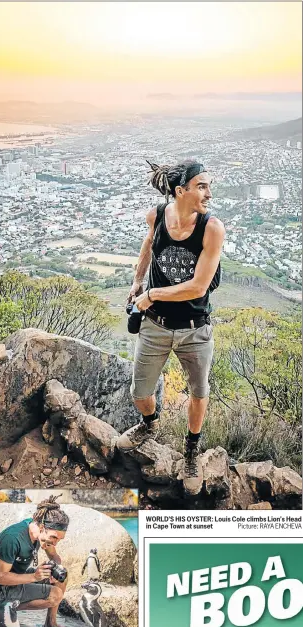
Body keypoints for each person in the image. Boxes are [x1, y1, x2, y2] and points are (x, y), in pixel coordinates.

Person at [116, 158, 225, 496]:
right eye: (201, 186)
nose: (209, 192)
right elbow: (148, 245)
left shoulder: (212, 229)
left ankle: (192, 449)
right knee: (140, 393)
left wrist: (150, 294)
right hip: (156, 325)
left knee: (198, 391)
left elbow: (197, 287)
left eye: (208, 185)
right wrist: (137, 281)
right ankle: (150, 424)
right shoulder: (157, 217)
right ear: (181, 191)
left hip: (195, 327)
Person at [0, 495, 69, 627]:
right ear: (41, 527)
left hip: (17, 577)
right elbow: (0, 577)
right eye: (53, 537)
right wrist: (35, 577)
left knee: (62, 576)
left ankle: (50, 623)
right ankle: (2, 609)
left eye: (59, 539)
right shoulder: (13, 538)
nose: (55, 542)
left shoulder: (40, 530)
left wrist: (55, 568)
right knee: (56, 595)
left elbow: (53, 555)